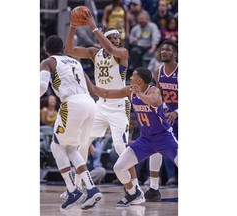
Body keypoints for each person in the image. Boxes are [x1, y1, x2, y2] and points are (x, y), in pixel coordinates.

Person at [65, 11, 145, 204]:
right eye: (113, 37)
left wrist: (94, 27)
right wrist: (73, 26)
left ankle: (135, 189)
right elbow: (69, 50)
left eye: (118, 37)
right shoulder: (95, 53)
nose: (117, 40)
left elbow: (110, 48)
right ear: (105, 38)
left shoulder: (123, 54)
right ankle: (77, 187)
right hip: (100, 105)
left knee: (120, 147)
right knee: (82, 143)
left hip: (119, 106)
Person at [92, 67, 178, 206]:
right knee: (118, 167)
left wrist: (140, 94)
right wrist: (87, 83)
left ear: (139, 80)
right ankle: (134, 193)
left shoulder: (154, 91)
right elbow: (106, 93)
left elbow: (154, 102)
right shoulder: (130, 91)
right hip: (145, 140)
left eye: (133, 76)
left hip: (164, 137)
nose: (130, 78)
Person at [40, 35, 102, 210]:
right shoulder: (75, 62)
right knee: (71, 148)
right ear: (62, 49)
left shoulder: (48, 62)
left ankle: (72, 190)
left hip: (72, 103)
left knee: (56, 146)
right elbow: (91, 88)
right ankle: (91, 188)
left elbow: (42, 87)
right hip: (90, 104)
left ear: (46, 50)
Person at [144, 39, 178, 201]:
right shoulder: (158, 71)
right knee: (157, 148)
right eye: (162, 49)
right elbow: (160, 94)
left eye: (168, 50)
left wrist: (177, 112)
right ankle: (154, 187)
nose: (164, 52)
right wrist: (162, 108)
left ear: (175, 54)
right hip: (167, 117)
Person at [128, 10, 161, 77]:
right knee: (134, 51)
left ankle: (150, 74)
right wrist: (133, 40)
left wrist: (153, 46)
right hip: (139, 46)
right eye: (140, 19)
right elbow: (130, 39)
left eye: (142, 19)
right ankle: (137, 72)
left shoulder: (152, 26)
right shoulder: (135, 28)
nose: (141, 21)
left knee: (153, 54)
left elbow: (156, 36)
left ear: (147, 19)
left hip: (150, 46)